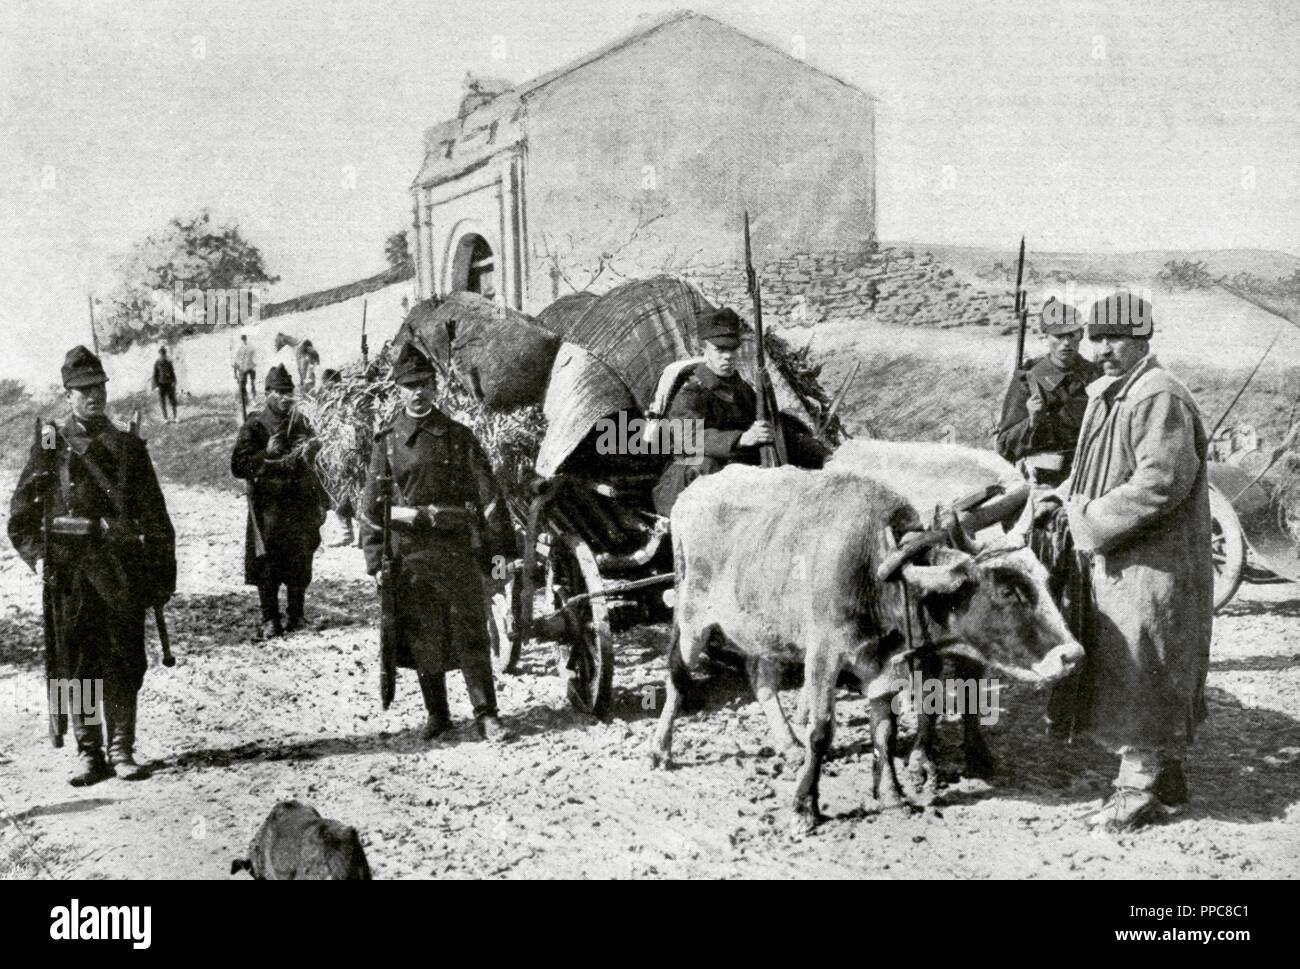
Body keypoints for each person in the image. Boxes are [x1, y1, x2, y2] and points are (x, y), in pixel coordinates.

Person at [1037, 291, 1213, 832]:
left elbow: (1159, 481)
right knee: (1136, 660)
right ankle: (1165, 773)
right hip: (1123, 558)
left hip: (1151, 562)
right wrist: (1062, 494)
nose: (1103, 349)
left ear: (1144, 338)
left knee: (1143, 662)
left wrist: (1088, 517)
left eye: (1116, 338)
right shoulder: (1111, 394)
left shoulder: (1157, 396)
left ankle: (1135, 790)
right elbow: (1094, 467)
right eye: (1097, 338)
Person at [8, 346, 176, 785]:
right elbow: (22, 513)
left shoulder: (127, 445)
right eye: (83, 390)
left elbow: (156, 516)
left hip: (121, 573)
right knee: (77, 662)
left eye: (98, 388)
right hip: (70, 576)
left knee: (124, 658)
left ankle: (121, 749)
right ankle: (89, 752)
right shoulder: (50, 439)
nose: (93, 396)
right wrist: (39, 556)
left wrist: (161, 575)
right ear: (67, 395)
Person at [359, 343, 517, 743]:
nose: (418, 392)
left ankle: (486, 714)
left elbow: (490, 498)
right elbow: (370, 508)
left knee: (470, 634)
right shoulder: (388, 443)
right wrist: (376, 562)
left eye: (425, 384)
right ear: (397, 390)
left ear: (436, 386)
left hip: (455, 550)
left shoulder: (459, 437)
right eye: (409, 385)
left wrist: (498, 556)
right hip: (410, 557)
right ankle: (438, 714)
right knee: (424, 636)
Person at [652, 306, 828, 516]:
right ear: (703, 350)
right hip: (686, 483)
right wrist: (742, 439)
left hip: (732, 475)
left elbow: (771, 428)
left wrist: (824, 456)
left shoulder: (742, 389)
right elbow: (689, 438)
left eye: (732, 349)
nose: (727, 356)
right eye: (719, 350)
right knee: (708, 466)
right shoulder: (691, 392)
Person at [231, 364, 327, 639]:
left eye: (290, 392)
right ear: (268, 393)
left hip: (299, 503)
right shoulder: (254, 425)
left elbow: (315, 463)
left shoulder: (301, 423)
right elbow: (238, 466)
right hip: (268, 506)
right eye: (280, 393)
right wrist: (265, 454)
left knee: (300, 559)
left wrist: (320, 500)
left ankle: (296, 615)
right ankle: (270, 618)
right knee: (268, 564)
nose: (286, 398)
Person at [996, 297, 1102, 487]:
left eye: (1072, 335)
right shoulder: (1028, 379)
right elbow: (1004, 447)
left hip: (1090, 477)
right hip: (1041, 482)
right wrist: (1031, 422)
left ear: (1081, 335)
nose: (1066, 343)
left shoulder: (1096, 375)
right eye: (1058, 336)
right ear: (1046, 336)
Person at [151, 346, 179, 424]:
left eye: (163, 354)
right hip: (161, 385)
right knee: (162, 402)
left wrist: (174, 382)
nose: (162, 356)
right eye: (161, 354)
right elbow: (154, 375)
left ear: (165, 355)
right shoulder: (157, 363)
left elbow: (173, 373)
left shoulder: (169, 363)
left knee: (173, 401)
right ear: (159, 355)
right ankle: (165, 418)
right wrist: (156, 386)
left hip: (169, 384)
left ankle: (175, 417)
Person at [233, 334, 257, 412]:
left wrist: (235, 373)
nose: (244, 341)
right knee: (246, 385)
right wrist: (235, 373)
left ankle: (252, 399)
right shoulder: (242, 348)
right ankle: (247, 400)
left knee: (251, 384)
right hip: (245, 368)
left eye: (244, 339)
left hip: (248, 368)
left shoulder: (248, 348)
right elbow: (236, 361)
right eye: (243, 340)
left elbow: (236, 361)